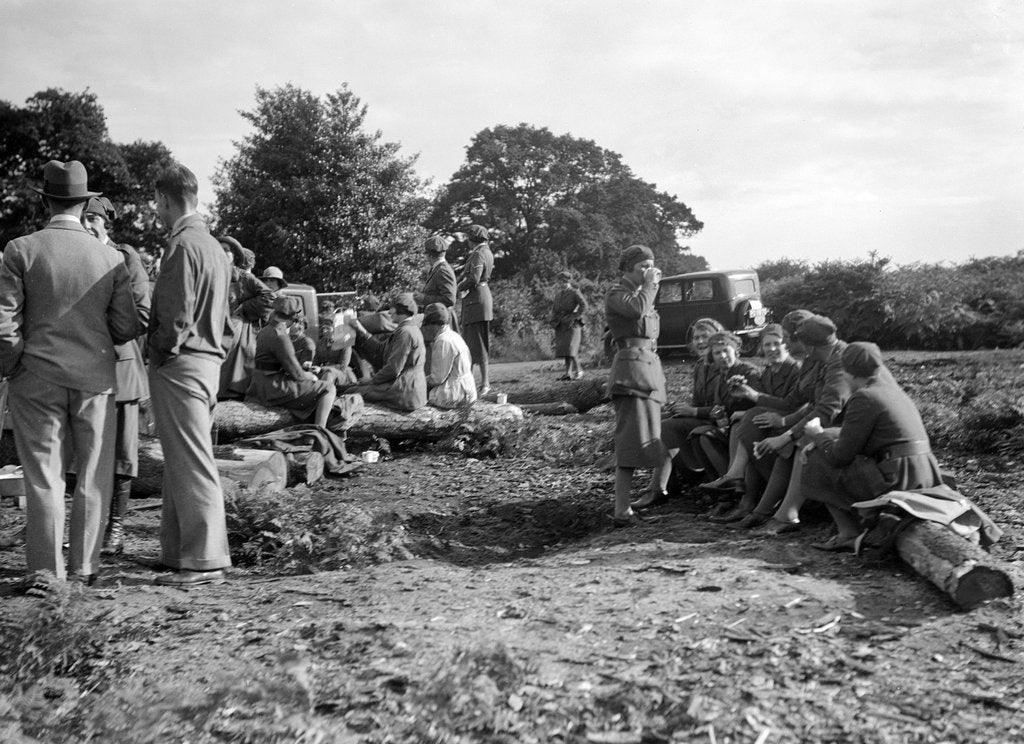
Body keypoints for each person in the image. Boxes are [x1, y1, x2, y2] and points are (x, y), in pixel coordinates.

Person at [0, 160, 137, 585]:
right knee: (94, 476)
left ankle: (46, 573)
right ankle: (84, 569)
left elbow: (4, 328)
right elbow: (126, 327)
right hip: (95, 381)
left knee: (44, 478)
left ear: (46, 201)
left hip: (35, 379)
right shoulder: (111, 257)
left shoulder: (19, 250)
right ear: (83, 202)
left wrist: (14, 369)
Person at [148, 162, 233, 586]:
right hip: (207, 363)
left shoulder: (182, 246)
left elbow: (175, 318)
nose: (157, 211)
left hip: (180, 364)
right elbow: (230, 326)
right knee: (181, 459)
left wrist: (157, 355)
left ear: (165, 199)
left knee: (193, 462)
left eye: (157, 203)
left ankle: (206, 560)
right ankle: (178, 552)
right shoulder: (216, 248)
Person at [800, 342, 945, 551]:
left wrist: (817, 436)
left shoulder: (863, 397)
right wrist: (826, 436)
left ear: (847, 372)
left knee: (817, 459)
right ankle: (862, 524)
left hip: (897, 478)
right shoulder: (893, 392)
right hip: (922, 472)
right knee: (828, 451)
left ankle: (848, 533)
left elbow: (839, 457)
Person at [81, 196, 151, 556]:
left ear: (106, 223)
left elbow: (142, 315)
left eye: (93, 219)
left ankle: (116, 530)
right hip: (81, 367)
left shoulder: (125, 257)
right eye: (82, 218)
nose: (87, 225)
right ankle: (87, 528)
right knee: (86, 452)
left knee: (122, 454)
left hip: (120, 368)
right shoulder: (74, 254)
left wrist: (96, 329)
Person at [751, 315, 851, 535]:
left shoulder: (840, 361)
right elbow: (806, 403)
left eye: (788, 339)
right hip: (833, 423)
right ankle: (763, 510)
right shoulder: (817, 359)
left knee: (803, 440)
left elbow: (827, 410)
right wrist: (788, 431)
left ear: (807, 344)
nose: (785, 344)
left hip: (854, 427)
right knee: (793, 441)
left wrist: (787, 434)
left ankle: (787, 515)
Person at [701, 322, 801, 521]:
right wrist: (743, 392)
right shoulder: (768, 372)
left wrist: (753, 398)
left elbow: (794, 406)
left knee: (746, 430)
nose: (771, 349)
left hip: (789, 430)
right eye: (766, 345)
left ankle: (739, 488)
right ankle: (743, 499)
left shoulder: (795, 370)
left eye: (776, 344)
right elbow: (762, 400)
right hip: (768, 428)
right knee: (745, 433)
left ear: (786, 345)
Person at [634, 317, 725, 508]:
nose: (700, 342)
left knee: (666, 427)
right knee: (658, 421)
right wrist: (682, 409)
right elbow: (699, 401)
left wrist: (692, 411)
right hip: (704, 418)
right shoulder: (701, 366)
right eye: (696, 337)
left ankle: (658, 488)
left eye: (705, 336)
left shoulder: (724, 364)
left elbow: (723, 408)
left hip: (721, 423)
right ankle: (670, 481)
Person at [605, 245, 665, 525]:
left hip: (648, 370)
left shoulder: (644, 294)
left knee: (653, 435)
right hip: (630, 374)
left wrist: (649, 287)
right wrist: (650, 285)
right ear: (627, 269)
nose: (648, 271)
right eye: (642, 266)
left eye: (650, 265)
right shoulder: (618, 294)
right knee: (629, 440)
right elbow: (637, 311)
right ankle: (621, 509)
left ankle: (657, 490)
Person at [248, 296, 337, 427]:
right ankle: (318, 432)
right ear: (293, 317)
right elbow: (298, 375)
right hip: (273, 387)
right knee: (328, 388)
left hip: (258, 383)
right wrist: (311, 376)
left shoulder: (264, 331)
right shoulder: (281, 336)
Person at [344, 293, 427, 411]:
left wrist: (371, 380)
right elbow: (380, 349)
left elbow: (393, 369)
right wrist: (361, 330)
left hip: (404, 391)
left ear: (400, 310)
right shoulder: (406, 329)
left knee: (351, 391)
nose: (389, 312)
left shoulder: (405, 333)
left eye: (392, 309)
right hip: (407, 388)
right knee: (354, 388)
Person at [217, 236, 275, 400]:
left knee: (230, 387)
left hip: (236, 337)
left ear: (234, 255)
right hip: (212, 333)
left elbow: (269, 297)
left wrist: (245, 307)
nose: (223, 252)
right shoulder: (208, 274)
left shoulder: (244, 278)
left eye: (227, 250)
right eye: (219, 248)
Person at [457, 225, 494, 394]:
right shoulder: (486, 252)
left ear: (473, 239)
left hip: (476, 301)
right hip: (479, 300)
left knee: (475, 344)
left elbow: (473, 279)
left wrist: (457, 287)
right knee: (476, 343)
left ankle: (484, 384)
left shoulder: (478, 254)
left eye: (469, 238)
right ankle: (476, 382)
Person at [422, 303, 477, 409]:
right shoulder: (454, 336)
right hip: (468, 390)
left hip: (455, 394)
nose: (426, 329)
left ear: (433, 324)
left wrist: (419, 382)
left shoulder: (443, 341)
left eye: (426, 325)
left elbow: (437, 378)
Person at [416, 236, 460, 334]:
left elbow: (449, 299)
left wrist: (424, 298)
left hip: (441, 322)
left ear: (430, 255)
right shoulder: (438, 268)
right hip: (437, 320)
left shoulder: (442, 270)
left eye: (426, 253)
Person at [550, 270, 587, 380]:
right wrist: (553, 320)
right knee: (567, 350)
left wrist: (575, 316)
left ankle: (576, 371)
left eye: (564, 282)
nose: (562, 284)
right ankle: (570, 373)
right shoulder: (558, 295)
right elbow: (554, 309)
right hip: (561, 324)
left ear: (569, 282)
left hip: (572, 325)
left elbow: (584, 305)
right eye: (560, 282)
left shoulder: (574, 292)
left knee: (571, 348)